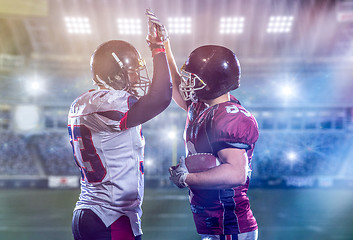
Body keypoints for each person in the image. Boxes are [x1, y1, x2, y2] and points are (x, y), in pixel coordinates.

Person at [146, 10, 259, 240]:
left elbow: (236, 173)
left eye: (194, 79)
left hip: (230, 226)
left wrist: (187, 178)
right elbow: (176, 86)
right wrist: (163, 46)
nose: (187, 82)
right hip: (214, 224)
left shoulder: (231, 117)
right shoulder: (200, 106)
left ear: (213, 83)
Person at [67, 11, 172, 240]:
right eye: (132, 71)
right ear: (114, 72)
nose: (136, 78)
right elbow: (161, 98)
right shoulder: (108, 103)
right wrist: (158, 48)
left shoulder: (82, 103)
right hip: (110, 217)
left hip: (93, 212)